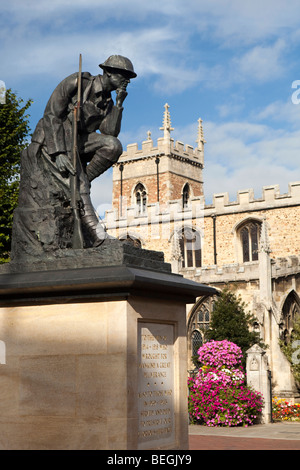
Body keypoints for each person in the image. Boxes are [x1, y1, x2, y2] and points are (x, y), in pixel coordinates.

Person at [18, 55, 136, 252]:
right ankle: (97, 236)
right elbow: (51, 114)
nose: (127, 81)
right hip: (54, 139)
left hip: (79, 140)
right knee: (78, 180)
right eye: (123, 75)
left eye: (129, 78)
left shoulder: (107, 101)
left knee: (113, 145)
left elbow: (110, 132)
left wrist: (119, 105)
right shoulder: (78, 83)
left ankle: (83, 181)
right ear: (108, 73)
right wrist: (59, 153)